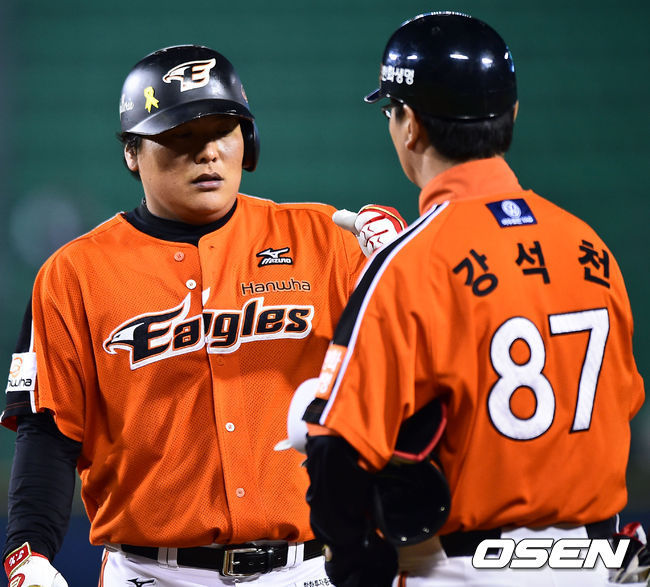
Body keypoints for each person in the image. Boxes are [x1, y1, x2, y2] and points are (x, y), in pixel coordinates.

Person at [1, 44, 406, 586]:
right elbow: (49, 432)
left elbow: (410, 380)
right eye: (181, 135)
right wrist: (28, 552)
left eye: (223, 131)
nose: (209, 152)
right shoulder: (75, 273)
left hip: (307, 568)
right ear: (132, 152)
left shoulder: (325, 241)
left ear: (249, 142)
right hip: (151, 572)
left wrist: (404, 274)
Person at [299, 12, 647, 587]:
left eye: (391, 112)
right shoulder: (590, 246)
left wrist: (358, 565)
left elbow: (336, 447)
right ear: (512, 114)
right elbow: (624, 404)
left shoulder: (410, 264)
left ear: (410, 125)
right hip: (595, 562)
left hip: (465, 567)